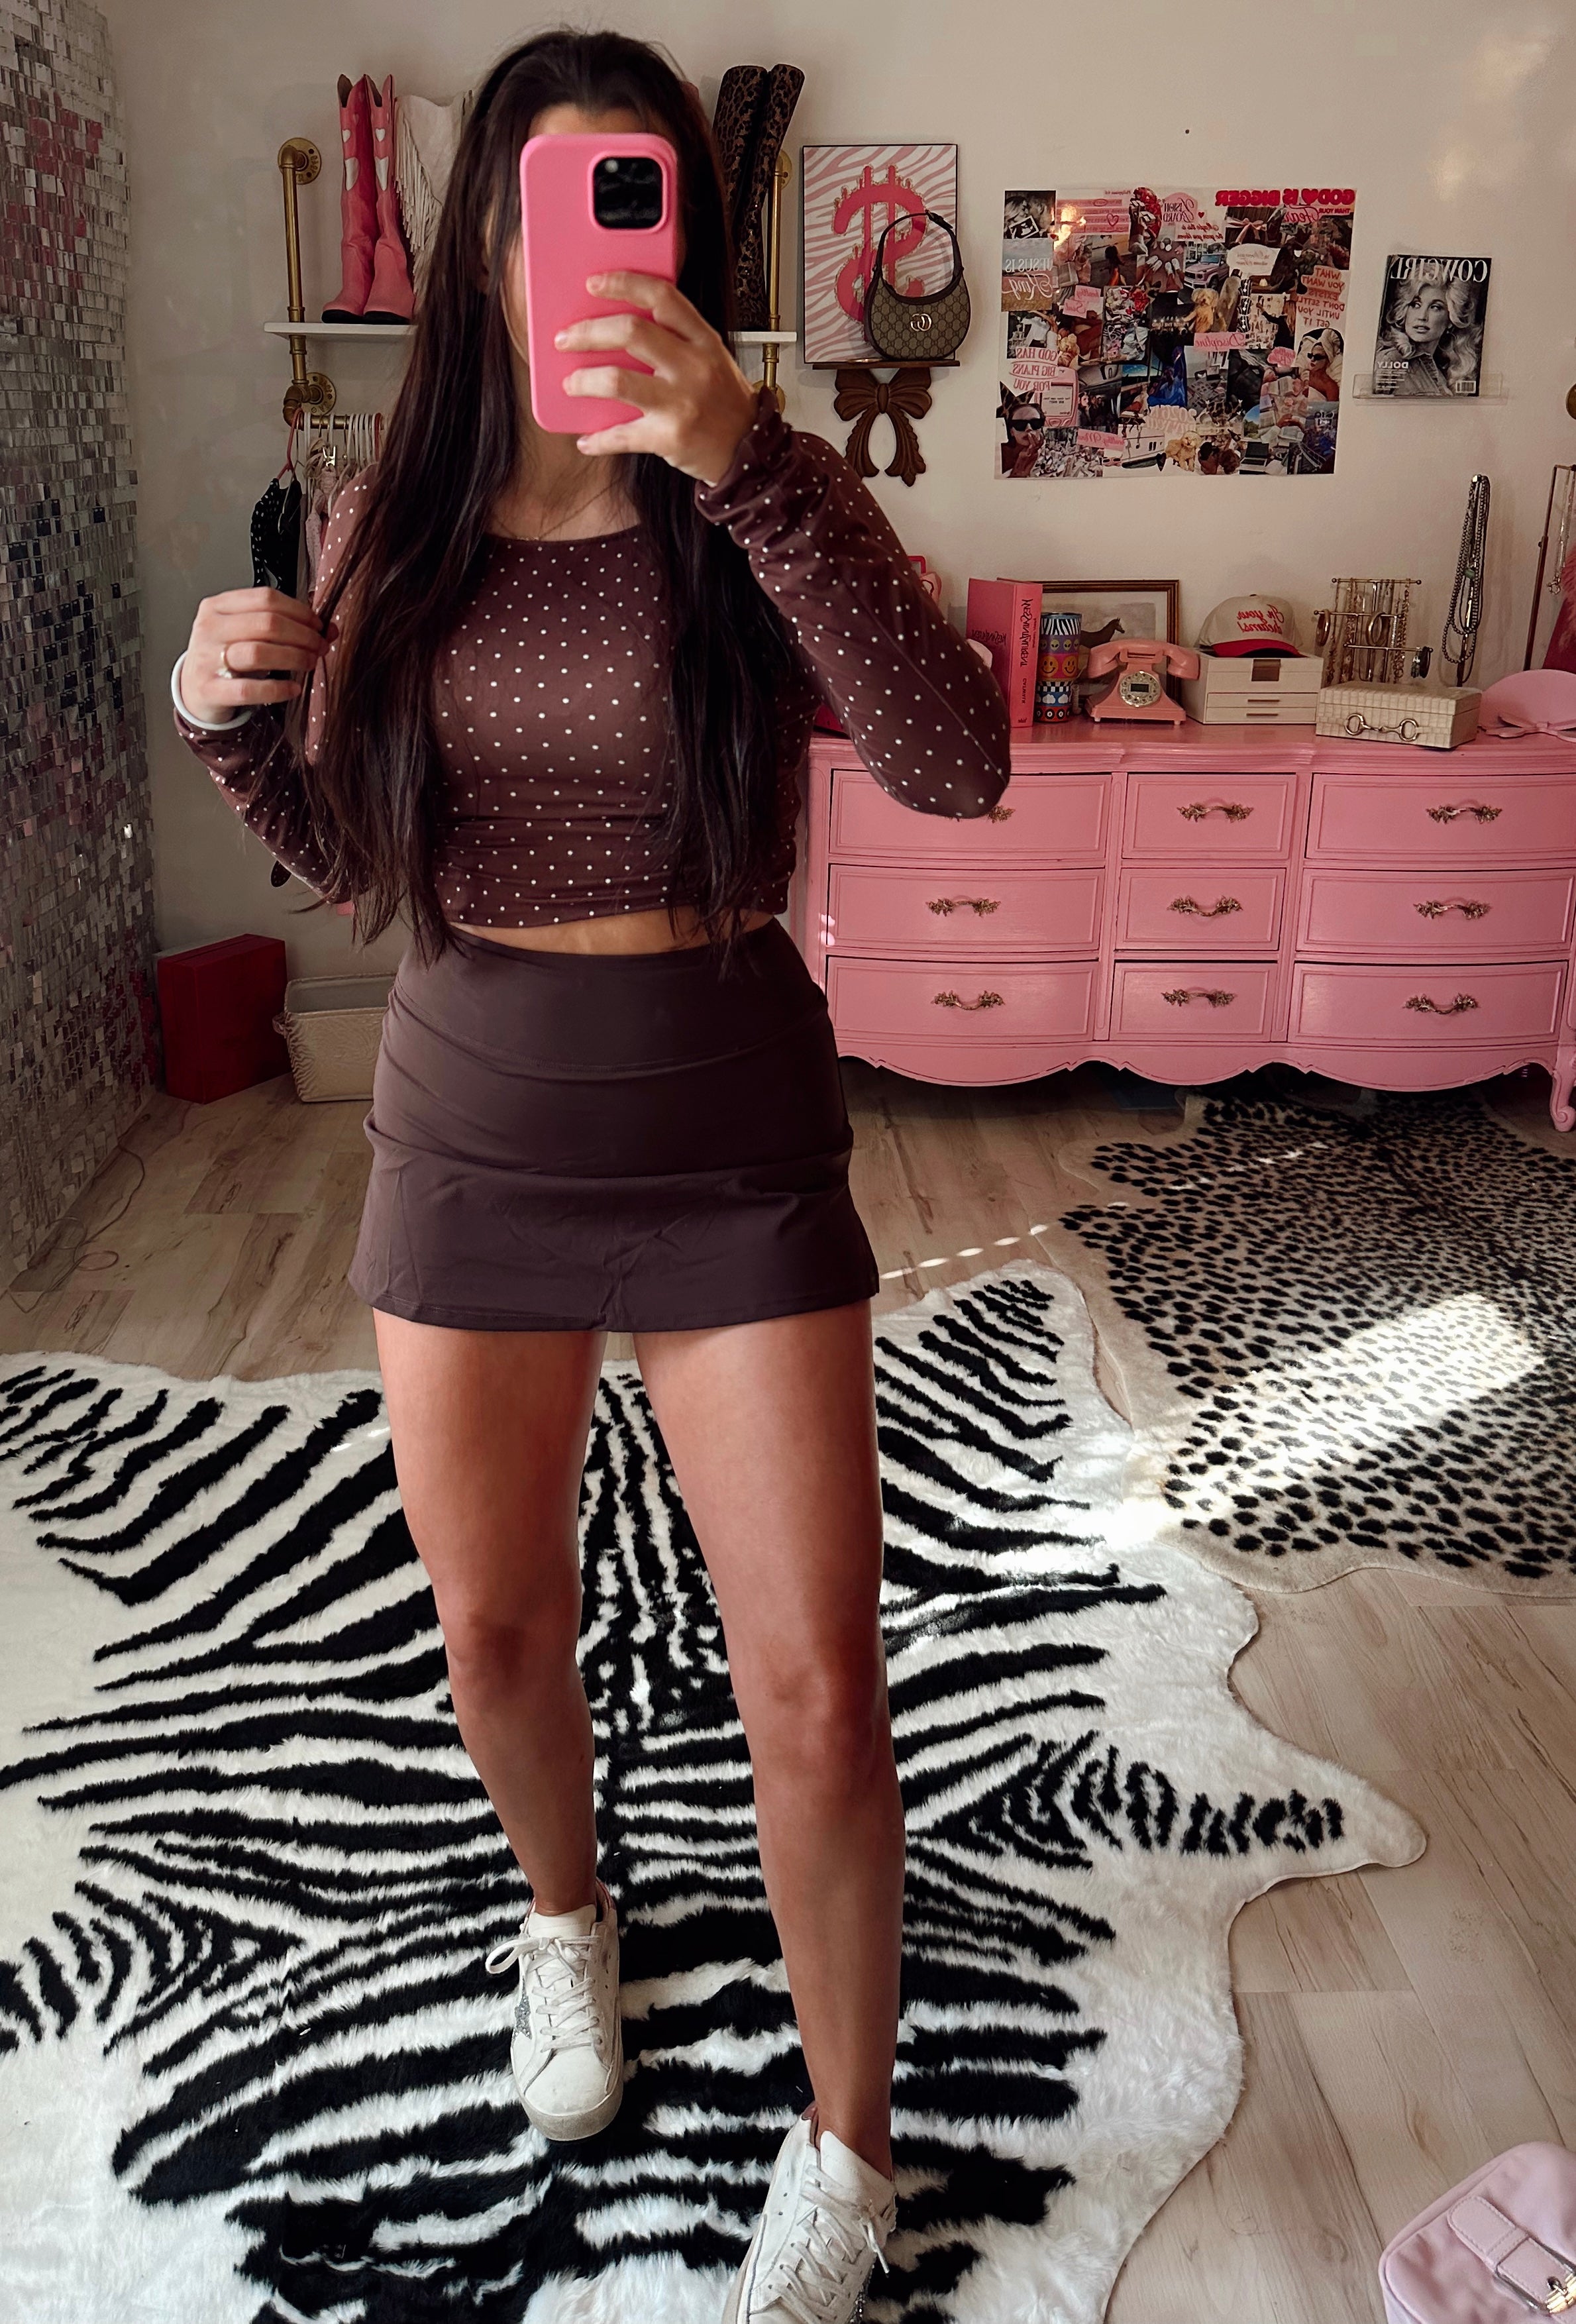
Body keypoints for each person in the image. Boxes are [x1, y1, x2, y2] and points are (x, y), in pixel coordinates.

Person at [171, 30, 1008, 2324]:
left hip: (730, 1125)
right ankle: (567, 1920)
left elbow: (955, 762)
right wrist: (230, 720)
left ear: (687, 246)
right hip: (473, 1124)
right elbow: (362, 861)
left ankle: (848, 2148)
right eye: (552, 206)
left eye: (637, 205)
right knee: (492, 1629)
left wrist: (746, 463)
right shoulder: (394, 523)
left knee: (815, 1682)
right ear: (481, 247)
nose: (590, 253)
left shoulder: (757, 498)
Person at [1375, 268, 1482, 397]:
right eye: (1415, 305)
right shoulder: (1390, 360)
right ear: (1404, 310)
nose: (1422, 317)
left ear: (1451, 319)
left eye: (1435, 307)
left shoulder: (1444, 372)